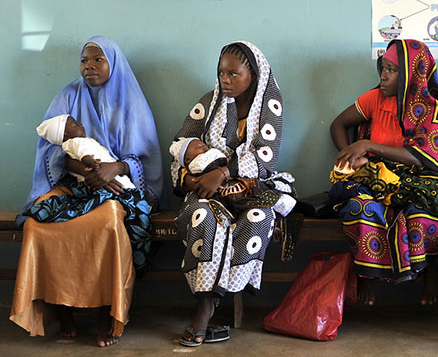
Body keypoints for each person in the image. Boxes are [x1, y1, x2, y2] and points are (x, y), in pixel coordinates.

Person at [10, 36, 163, 347]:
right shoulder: (68, 95)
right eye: (84, 60)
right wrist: (87, 171)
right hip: (73, 182)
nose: (89, 66)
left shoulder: (131, 101)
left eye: (98, 60)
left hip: (118, 187)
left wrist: (114, 169)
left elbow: (145, 158)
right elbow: (50, 147)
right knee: (38, 224)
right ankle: (60, 307)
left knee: (107, 223)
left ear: (113, 63)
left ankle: (108, 310)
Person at [172, 41, 296, 347]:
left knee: (258, 217)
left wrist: (224, 172)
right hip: (206, 190)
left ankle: (205, 309)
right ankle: (206, 307)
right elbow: (180, 145)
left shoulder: (270, 105)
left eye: (233, 73)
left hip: (252, 188)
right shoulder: (209, 102)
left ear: (252, 75)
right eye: (220, 73)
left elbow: (266, 156)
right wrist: (190, 180)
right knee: (203, 218)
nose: (225, 80)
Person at [329, 39, 438, 307]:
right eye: (383, 68)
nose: (384, 75)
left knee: (422, 212)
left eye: (392, 70)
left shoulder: (431, 107)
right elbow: (338, 124)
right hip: (376, 176)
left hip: (418, 179)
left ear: (411, 75)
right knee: (359, 206)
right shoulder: (373, 99)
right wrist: (351, 155)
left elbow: (424, 157)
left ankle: (428, 270)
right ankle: (366, 273)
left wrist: (368, 145)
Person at [23, 114, 152, 271]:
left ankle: (128, 263)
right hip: (97, 184)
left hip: (115, 178)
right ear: (65, 135)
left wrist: (118, 167)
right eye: (75, 124)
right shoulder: (75, 142)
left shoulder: (131, 107)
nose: (81, 125)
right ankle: (129, 263)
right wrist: (91, 167)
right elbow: (81, 154)